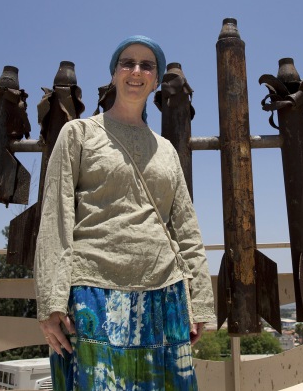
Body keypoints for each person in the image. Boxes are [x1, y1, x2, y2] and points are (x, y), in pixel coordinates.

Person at [35, 35, 216, 390]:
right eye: (127, 63)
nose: (136, 71)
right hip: (93, 293)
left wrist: (201, 304)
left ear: (156, 79)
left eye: (147, 65)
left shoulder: (166, 150)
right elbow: (56, 218)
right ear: (114, 73)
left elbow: (187, 230)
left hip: (165, 296)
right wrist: (51, 302)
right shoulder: (79, 133)